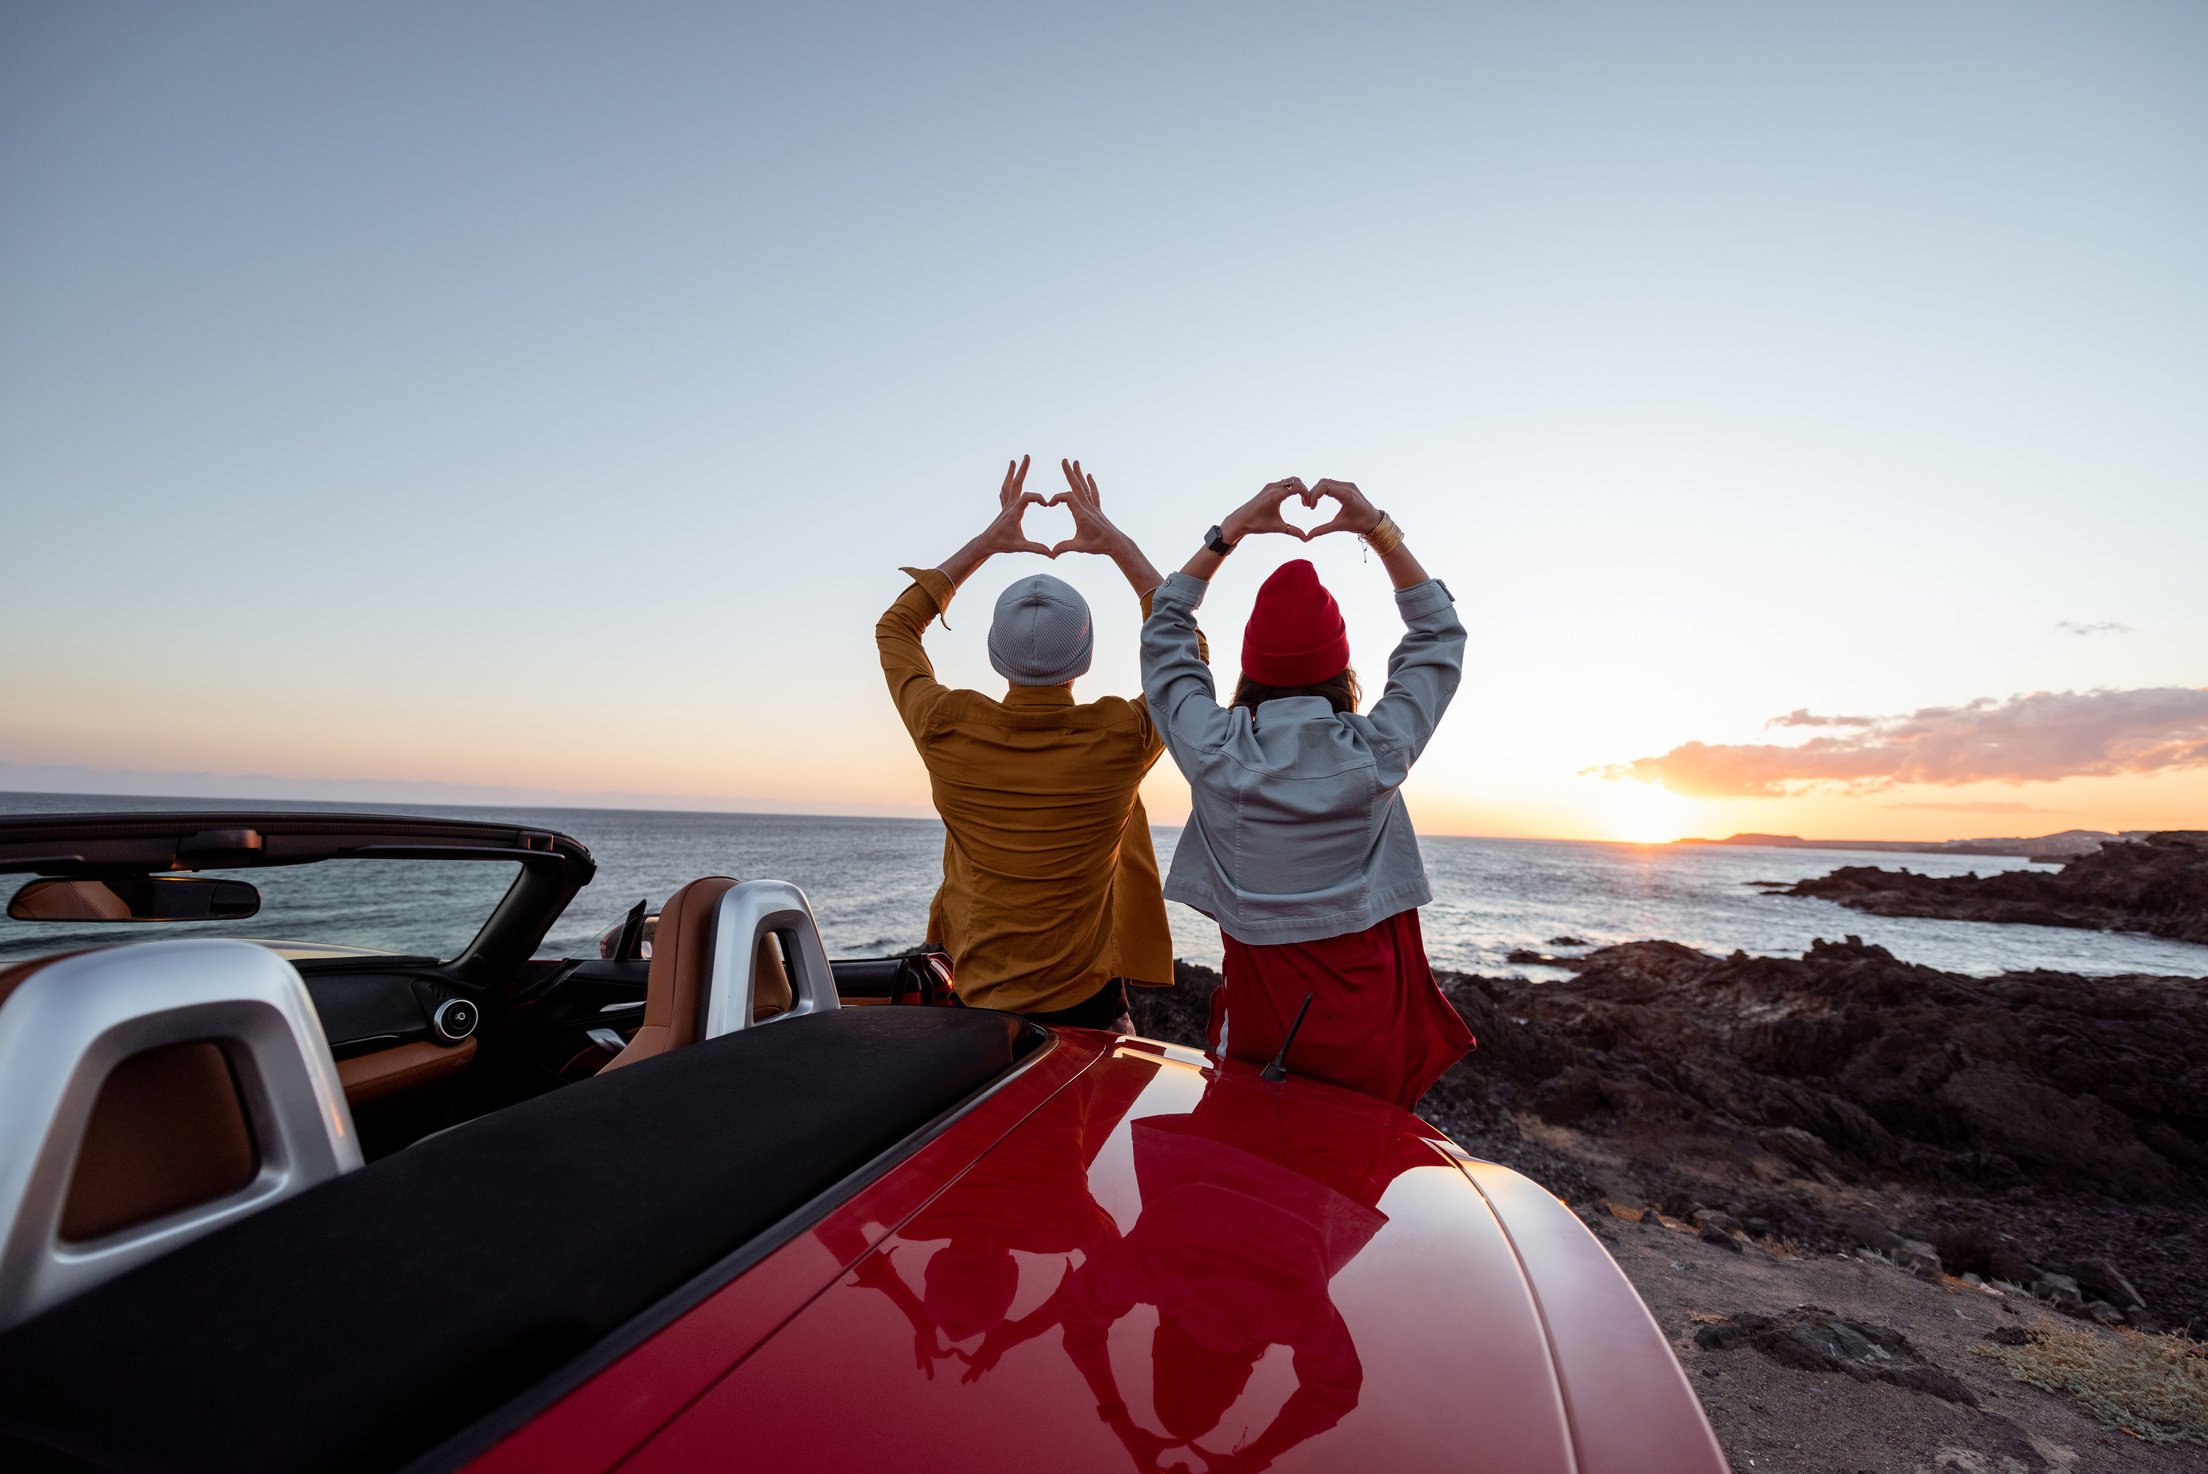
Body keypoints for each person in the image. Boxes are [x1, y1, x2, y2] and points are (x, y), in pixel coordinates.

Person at [1139, 477, 1473, 1109]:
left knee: (1253, 1179)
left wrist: (1229, 531)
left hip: (1266, 1026)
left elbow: (1166, 632)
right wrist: (1379, 530)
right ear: (1343, 673)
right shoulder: (1379, 752)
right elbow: (1438, 637)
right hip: (1367, 1019)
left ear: (1250, 672)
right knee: (1352, 1191)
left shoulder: (1214, 752)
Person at [877, 455, 1190, 1028]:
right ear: (1086, 656)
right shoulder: (1122, 737)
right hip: (1089, 1006)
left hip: (977, 1003)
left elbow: (895, 628)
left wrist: (988, 541)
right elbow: (1185, 654)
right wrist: (1117, 544)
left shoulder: (945, 726)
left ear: (996, 653)